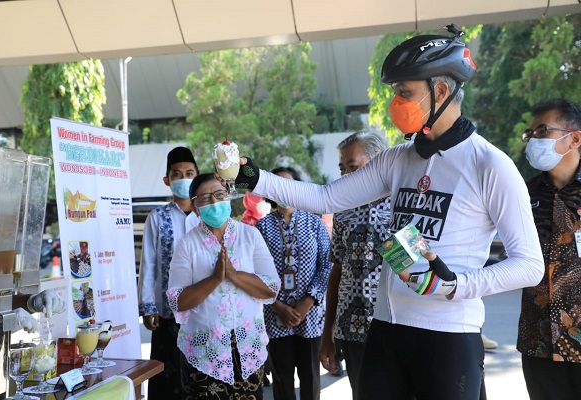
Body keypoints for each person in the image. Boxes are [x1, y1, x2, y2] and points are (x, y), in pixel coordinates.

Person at [231, 25, 544, 400]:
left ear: (441, 91)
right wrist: (251, 177)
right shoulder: (398, 158)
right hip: (386, 328)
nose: (396, 102)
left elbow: (530, 265)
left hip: (448, 334)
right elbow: (327, 198)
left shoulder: (490, 165)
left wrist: (457, 285)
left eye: (404, 93)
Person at [166, 173, 281, 399]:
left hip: (248, 350)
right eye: (206, 199)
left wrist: (235, 275)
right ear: (196, 207)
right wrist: (214, 279)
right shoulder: (187, 244)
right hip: (204, 356)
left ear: (229, 197)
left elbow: (271, 288)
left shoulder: (250, 236)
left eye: (219, 195)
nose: (215, 202)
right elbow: (177, 300)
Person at [318, 130, 391, 399]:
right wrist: (328, 333)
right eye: (342, 168)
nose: (346, 175)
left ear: (379, 162)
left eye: (353, 166)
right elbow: (337, 270)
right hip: (352, 330)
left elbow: (415, 263)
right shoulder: (343, 210)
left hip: (395, 326)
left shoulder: (403, 204)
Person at [517, 98, 581, 400]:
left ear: (575, 139)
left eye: (543, 131)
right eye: (531, 134)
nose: (533, 140)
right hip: (538, 341)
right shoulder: (523, 194)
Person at [255, 167, 332, 400]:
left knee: (310, 378)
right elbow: (255, 272)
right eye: (277, 185)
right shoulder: (261, 228)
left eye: (288, 184)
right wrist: (276, 305)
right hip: (275, 314)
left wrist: (309, 301)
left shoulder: (314, 223)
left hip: (310, 313)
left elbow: (327, 264)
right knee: (282, 380)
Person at [137, 146, 200, 399]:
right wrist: (148, 305)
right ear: (167, 180)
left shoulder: (207, 215)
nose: (183, 178)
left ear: (197, 176)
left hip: (204, 313)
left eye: (189, 172)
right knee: (167, 378)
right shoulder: (158, 217)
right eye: (176, 174)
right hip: (168, 312)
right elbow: (149, 263)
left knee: (200, 378)